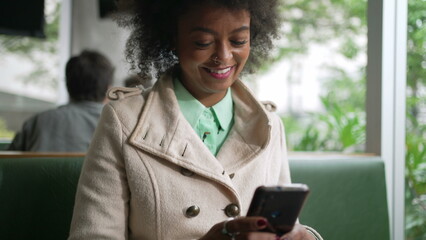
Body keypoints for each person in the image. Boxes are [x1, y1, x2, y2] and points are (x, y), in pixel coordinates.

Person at [69, 1, 323, 240]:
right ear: (173, 39)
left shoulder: (269, 125)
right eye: (203, 42)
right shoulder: (124, 121)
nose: (224, 56)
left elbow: (283, 226)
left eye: (238, 40)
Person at [8, 50, 114, 152]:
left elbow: (6, 164)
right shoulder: (117, 124)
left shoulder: (36, 123)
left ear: (67, 85)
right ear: (109, 89)